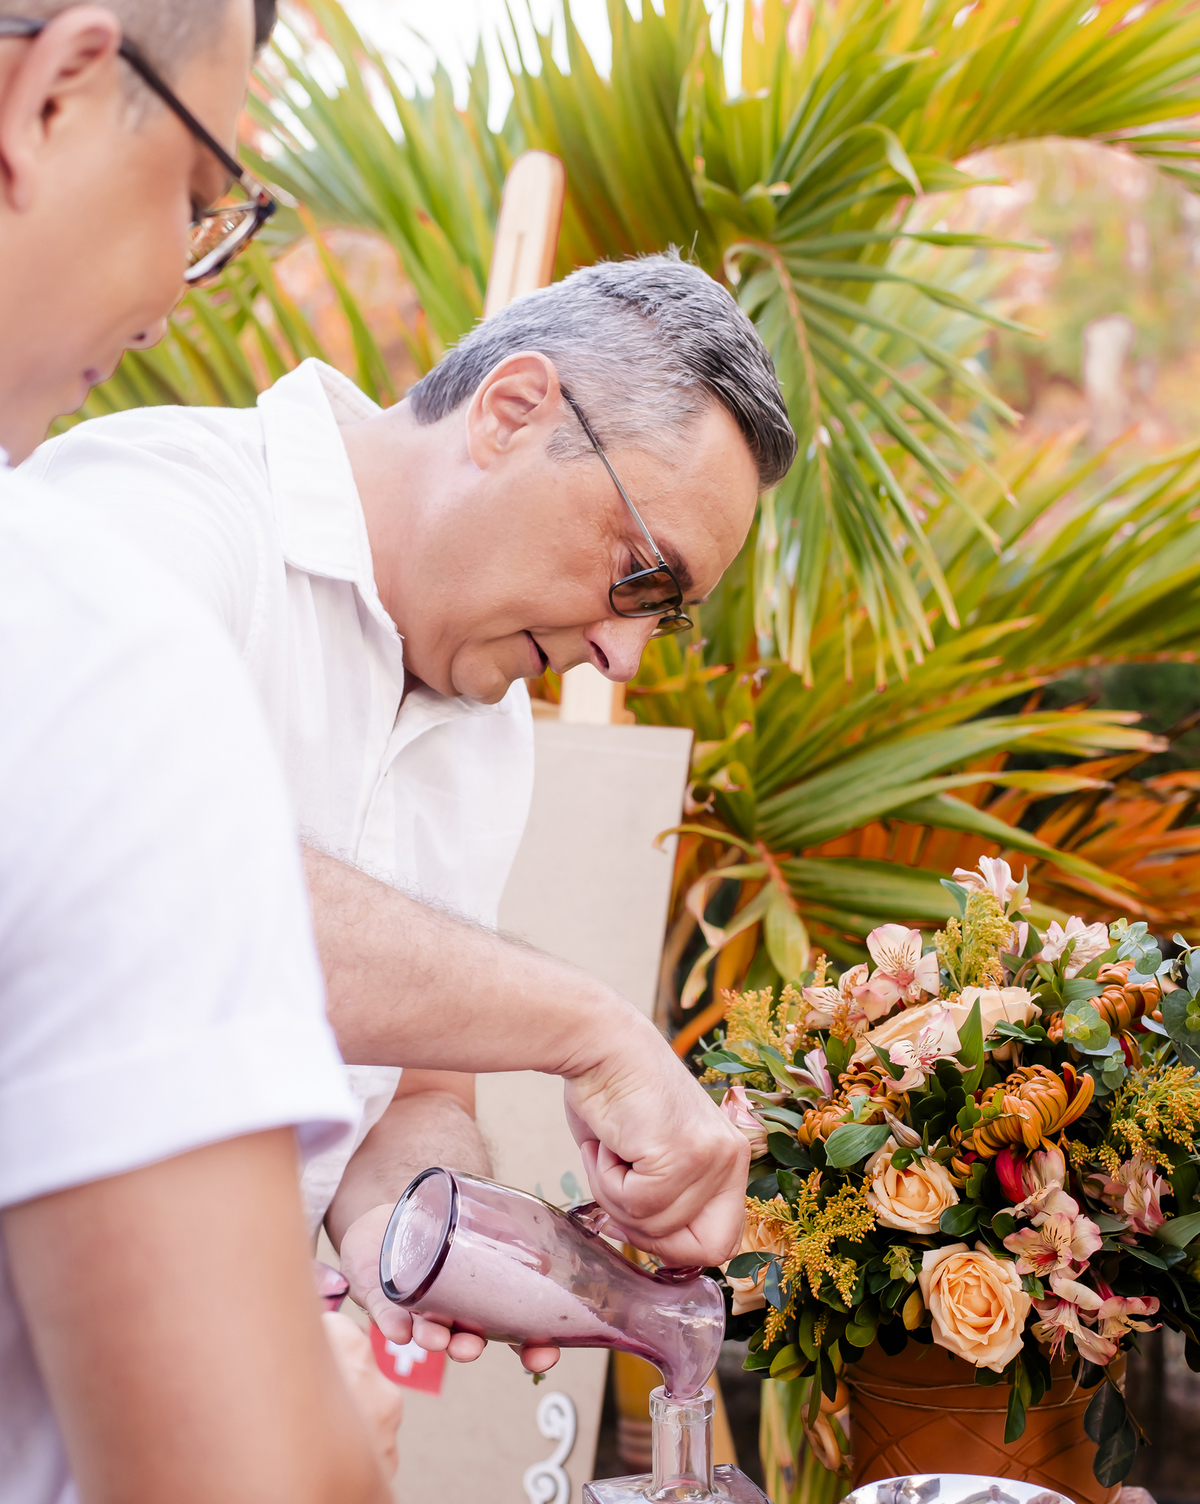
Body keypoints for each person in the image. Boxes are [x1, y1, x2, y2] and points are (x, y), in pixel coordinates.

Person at [28, 256, 798, 1357]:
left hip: (181, 1380)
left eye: (665, 619)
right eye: (640, 575)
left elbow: (413, 1089)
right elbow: (148, 881)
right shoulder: (159, 510)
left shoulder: (489, 731)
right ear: (512, 411)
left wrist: (441, 1233)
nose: (622, 655)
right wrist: (593, 1032)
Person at [0, 3, 405, 1504]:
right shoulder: (88, 646)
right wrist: (342, 1431)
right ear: (57, 88)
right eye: (201, 193)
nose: (183, 289)